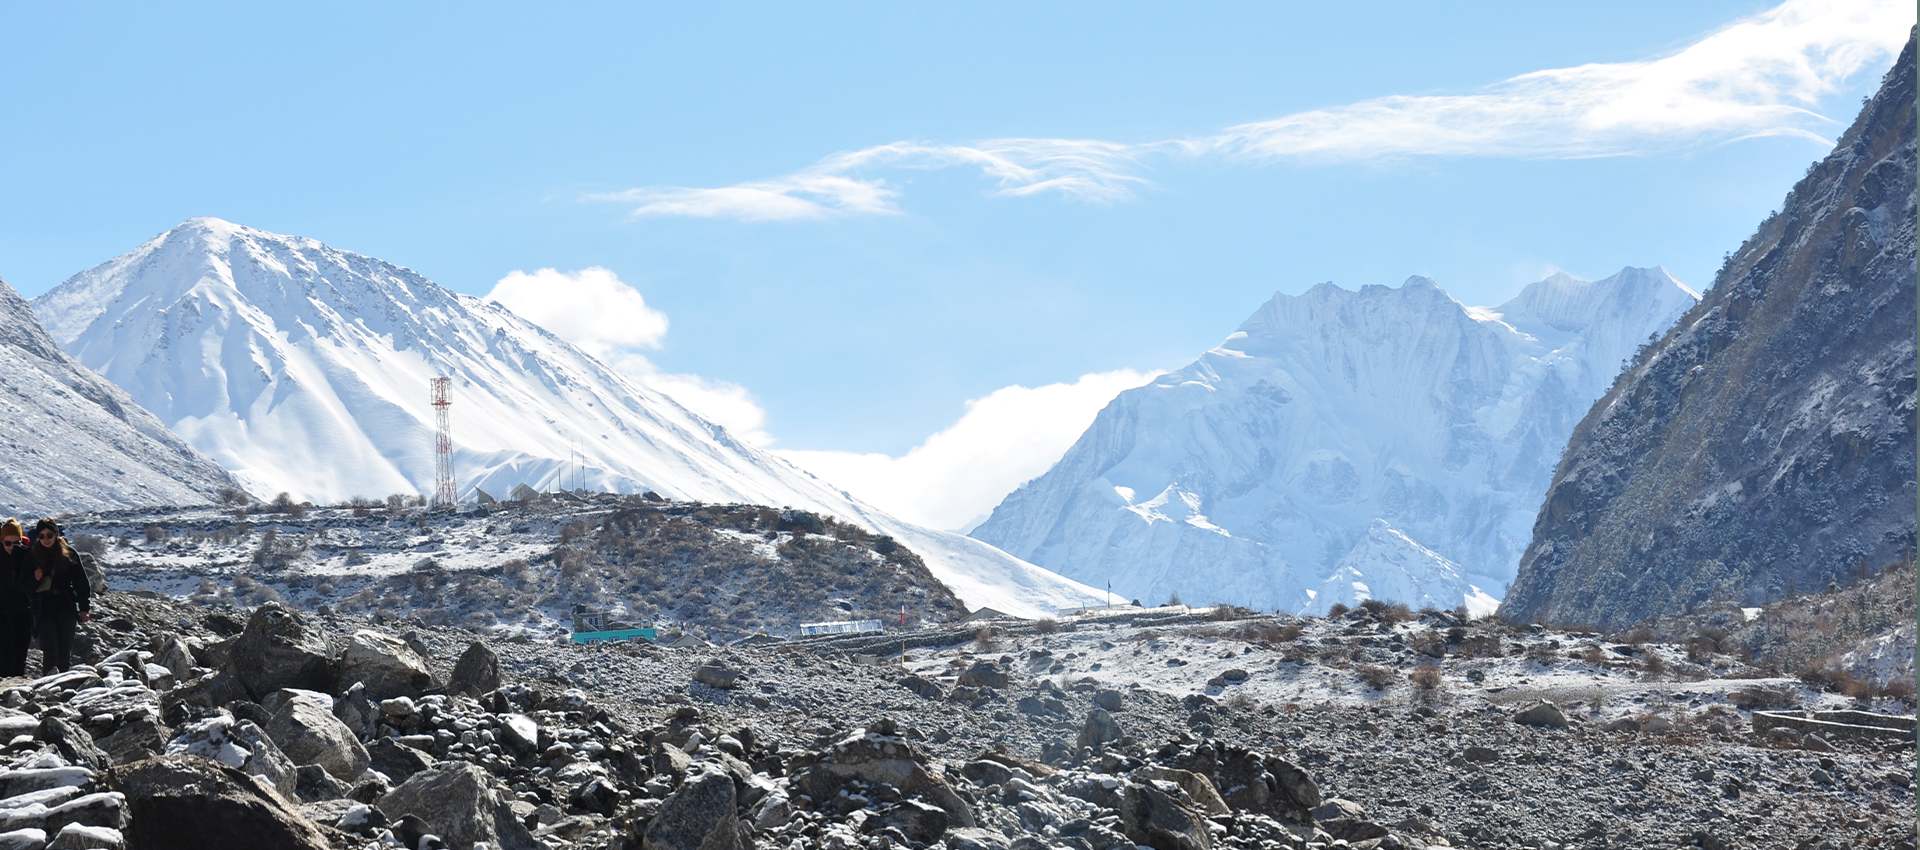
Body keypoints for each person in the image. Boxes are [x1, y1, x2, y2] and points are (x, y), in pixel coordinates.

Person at [28, 519, 89, 675]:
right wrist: (34, 579)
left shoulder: (69, 554)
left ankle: (63, 688)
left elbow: (81, 582)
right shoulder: (32, 556)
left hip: (65, 606)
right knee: (50, 650)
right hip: (43, 609)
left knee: (64, 651)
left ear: (56, 534)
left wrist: (84, 608)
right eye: (41, 536)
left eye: (49, 535)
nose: (46, 539)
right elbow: (23, 584)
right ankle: (49, 689)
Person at [0, 520, 31, 676]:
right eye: (7, 543)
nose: (11, 547)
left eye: (16, 543)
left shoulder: (28, 556)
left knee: (20, 653)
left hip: (23, 611)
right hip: (2, 613)